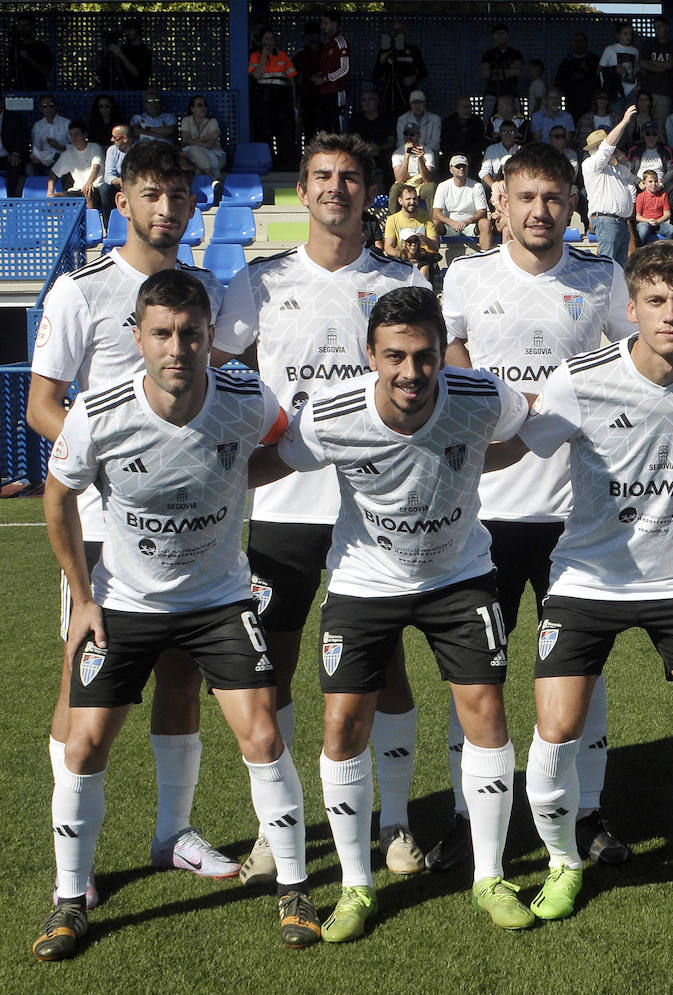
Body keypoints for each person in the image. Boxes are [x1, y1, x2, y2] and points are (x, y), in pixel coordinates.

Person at [33, 270, 316, 962]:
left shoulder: (246, 396)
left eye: (191, 333)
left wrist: (232, 477)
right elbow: (56, 497)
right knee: (86, 743)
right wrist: (82, 596)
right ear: (139, 338)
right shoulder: (98, 409)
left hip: (218, 598)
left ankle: (295, 884)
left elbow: (287, 445)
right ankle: (70, 899)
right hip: (124, 601)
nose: (177, 347)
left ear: (210, 336)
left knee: (261, 731)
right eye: (161, 332)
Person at [247, 286, 532, 936]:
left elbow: (528, 432)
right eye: (395, 356)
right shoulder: (333, 414)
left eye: (425, 355)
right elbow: (271, 463)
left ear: (441, 353)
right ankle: (355, 886)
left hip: (459, 574)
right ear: (371, 355)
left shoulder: (482, 395)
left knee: (485, 711)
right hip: (365, 580)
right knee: (344, 722)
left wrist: (471, 468)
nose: (411, 371)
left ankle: (489, 874)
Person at [503, 241, 673, 919]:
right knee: (557, 729)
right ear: (632, 307)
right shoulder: (581, 377)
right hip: (588, 579)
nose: (671, 313)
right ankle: (563, 860)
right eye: (656, 299)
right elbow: (515, 445)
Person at [27, 141, 239, 912]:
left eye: (180, 195)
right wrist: (113, 460)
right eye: (152, 194)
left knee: (182, 673)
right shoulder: (82, 291)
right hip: (100, 521)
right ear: (123, 202)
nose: (167, 209)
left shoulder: (204, 290)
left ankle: (173, 833)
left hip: (191, 522)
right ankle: (73, 856)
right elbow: (42, 403)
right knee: (86, 679)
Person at [215, 133, 430, 885]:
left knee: (386, 665)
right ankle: (279, 830)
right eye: (322, 177)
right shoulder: (260, 283)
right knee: (268, 667)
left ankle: (396, 822)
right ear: (301, 193)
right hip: (282, 505)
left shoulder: (403, 283)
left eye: (349, 177)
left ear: (370, 191)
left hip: (376, 511)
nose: (336, 188)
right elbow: (218, 374)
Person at [440, 142, 636, 872]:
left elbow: (632, 357)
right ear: (502, 202)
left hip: (577, 514)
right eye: (526, 196)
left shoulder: (601, 274)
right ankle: (468, 817)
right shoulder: (464, 274)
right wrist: (503, 404)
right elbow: (452, 362)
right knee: (474, 674)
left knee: (579, 671)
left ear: (571, 204)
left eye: (553, 197)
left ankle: (587, 814)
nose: (540, 210)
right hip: (481, 514)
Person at [582, 105, 639, 266]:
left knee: (619, 270)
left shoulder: (613, 166)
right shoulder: (591, 163)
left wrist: (618, 156)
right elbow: (608, 147)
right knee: (607, 266)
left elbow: (627, 169)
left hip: (620, 222)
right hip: (607, 221)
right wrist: (624, 121)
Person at [248, 29, 298, 170]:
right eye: (266, 39)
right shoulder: (255, 56)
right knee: (264, 132)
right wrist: (263, 57)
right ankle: (268, 163)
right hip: (263, 99)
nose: (269, 42)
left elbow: (291, 79)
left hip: (281, 98)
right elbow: (256, 76)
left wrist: (294, 101)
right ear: (261, 41)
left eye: (271, 39)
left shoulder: (282, 55)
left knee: (284, 132)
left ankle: (286, 164)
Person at [431, 155, 492, 248]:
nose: (461, 169)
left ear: (467, 168)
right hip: (448, 226)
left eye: (464, 166)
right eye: (458, 166)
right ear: (451, 169)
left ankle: (485, 254)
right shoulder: (443, 186)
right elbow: (436, 213)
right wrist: (452, 223)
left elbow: (482, 212)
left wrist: (467, 222)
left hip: (470, 225)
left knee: (485, 223)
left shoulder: (477, 186)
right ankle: (433, 255)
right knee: (434, 223)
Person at [385, 185, 441, 283]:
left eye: (414, 198)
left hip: (423, 258)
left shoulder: (426, 218)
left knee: (426, 263)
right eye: (408, 199)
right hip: (402, 259)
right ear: (400, 201)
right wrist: (404, 256)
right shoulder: (392, 220)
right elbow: (388, 248)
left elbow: (435, 246)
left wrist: (424, 239)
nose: (412, 202)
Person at [373, 21, 427, 119]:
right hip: (389, 94)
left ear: (404, 32)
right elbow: (376, 75)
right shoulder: (384, 52)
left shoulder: (413, 50)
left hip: (408, 93)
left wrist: (413, 78)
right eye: (394, 30)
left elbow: (424, 72)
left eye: (400, 31)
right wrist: (385, 57)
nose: (397, 33)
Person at [313, 10, 351, 134]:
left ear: (334, 24)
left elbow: (344, 69)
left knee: (337, 128)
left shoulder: (340, 42)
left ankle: (340, 152)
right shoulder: (327, 44)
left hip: (336, 92)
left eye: (326, 23)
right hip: (324, 92)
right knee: (324, 128)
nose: (322, 27)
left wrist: (325, 79)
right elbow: (327, 68)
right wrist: (319, 76)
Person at [48, 122, 102, 206]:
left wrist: (89, 182)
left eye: (76, 134)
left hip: (96, 188)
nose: (73, 138)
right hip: (77, 191)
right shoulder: (67, 154)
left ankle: (92, 218)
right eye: (71, 135)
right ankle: (60, 219)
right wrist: (50, 192)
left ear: (84, 135)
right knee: (53, 199)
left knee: (88, 193)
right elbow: (53, 173)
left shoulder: (95, 147)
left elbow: (96, 166)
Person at [389, 122, 436, 213]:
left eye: (412, 134)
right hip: (405, 183)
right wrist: (406, 156)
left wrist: (421, 159)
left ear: (418, 135)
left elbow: (427, 179)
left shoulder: (428, 152)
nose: (409, 137)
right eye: (406, 134)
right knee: (395, 188)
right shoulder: (397, 153)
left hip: (421, 184)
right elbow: (399, 179)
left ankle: (434, 222)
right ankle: (392, 221)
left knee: (430, 187)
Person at [95, 19, 151, 91]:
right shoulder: (123, 49)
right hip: (120, 91)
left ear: (138, 31)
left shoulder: (145, 52)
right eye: (126, 30)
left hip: (137, 91)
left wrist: (120, 54)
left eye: (130, 30)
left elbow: (137, 74)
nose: (127, 33)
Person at [556, 32, 600, 123]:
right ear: (572, 43)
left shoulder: (594, 59)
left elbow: (599, 80)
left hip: (590, 102)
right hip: (572, 103)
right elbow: (559, 82)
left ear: (586, 43)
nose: (579, 44)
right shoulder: (567, 61)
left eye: (581, 41)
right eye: (576, 41)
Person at [480, 23, 523, 117]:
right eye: (497, 34)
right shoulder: (489, 54)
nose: (500, 36)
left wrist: (496, 73)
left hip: (511, 93)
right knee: (488, 121)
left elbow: (516, 71)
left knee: (516, 121)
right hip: (492, 94)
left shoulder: (515, 53)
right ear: (493, 36)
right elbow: (485, 73)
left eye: (502, 33)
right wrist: (507, 72)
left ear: (508, 35)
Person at [178, 96, 225, 180]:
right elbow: (184, 142)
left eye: (205, 105)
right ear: (192, 109)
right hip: (195, 160)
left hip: (215, 157)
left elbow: (209, 145)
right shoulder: (186, 120)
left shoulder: (212, 122)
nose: (203, 108)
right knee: (195, 169)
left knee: (193, 149)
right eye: (200, 105)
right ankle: (214, 180)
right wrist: (204, 139)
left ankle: (212, 178)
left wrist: (192, 141)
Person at [599, 20, 640, 111]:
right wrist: (614, 71)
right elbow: (600, 70)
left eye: (630, 34)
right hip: (615, 91)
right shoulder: (610, 49)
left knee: (631, 118)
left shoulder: (635, 51)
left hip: (632, 91)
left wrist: (638, 85)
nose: (628, 36)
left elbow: (636, 71)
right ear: (618, 35)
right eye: (625, 34)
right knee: (617, 119)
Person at [441, 95, 487, 169]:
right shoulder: (448, 122)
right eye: (464, 107)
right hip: (452, 159)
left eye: (469, 106)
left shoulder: (477, 121)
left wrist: (469, 156)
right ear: (457, 108)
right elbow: (445, 145)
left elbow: (480, 143)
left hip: (473, 160)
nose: (468, 110)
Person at [98, 124, 132, 223]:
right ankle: (108, 227)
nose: (112, 140)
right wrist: (120, 181)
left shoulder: (140, 150)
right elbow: (108, 176)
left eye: (115, 138)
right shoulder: (112, 150)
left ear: (125, 139)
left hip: (136, 183)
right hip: (118, 184)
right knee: (104, 188)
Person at [10, 14, 54, 89]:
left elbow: (46, 72)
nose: (22, 29)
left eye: (25, 26)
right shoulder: (14, 48)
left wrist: (29, 58)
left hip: (38, 91)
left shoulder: (42, 48)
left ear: (32, 27)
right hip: (19, 92)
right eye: (20, 26)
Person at [30, 94, 70, 172]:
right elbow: (36, 148)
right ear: (41, 109)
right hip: (45, 160)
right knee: (30, 169)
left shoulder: (66, 123)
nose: (48, 108)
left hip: (63, 158)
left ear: (55, 106)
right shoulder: (38, 126)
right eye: (44, 106)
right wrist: (35, 157)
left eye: (51, 105)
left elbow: (75, 146)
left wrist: (60, 147)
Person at [395, 90, 441, 156]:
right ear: (410, 105)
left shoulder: (435, 119)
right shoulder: (402, 119)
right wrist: (412, 151)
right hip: (408, 153)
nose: (417, 106)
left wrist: (421, 151)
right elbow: (401, 142)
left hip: (428, 154)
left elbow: (435, 143)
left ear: (425, 104)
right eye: (414, 103)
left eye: (420, 103)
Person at [634, 168, 673, 243]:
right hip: (645, 222)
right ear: (644, 182)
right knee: (643, 231)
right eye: (650, 181)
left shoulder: (663, 195)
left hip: (659, 222)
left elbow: (667, 214)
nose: (653, 184)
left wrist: (658, 221)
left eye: (656, 181)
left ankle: (666, 248)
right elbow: (638, 217)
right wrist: (648, 221)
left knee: (671, 230)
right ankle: (642, 249)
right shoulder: (640, 196)